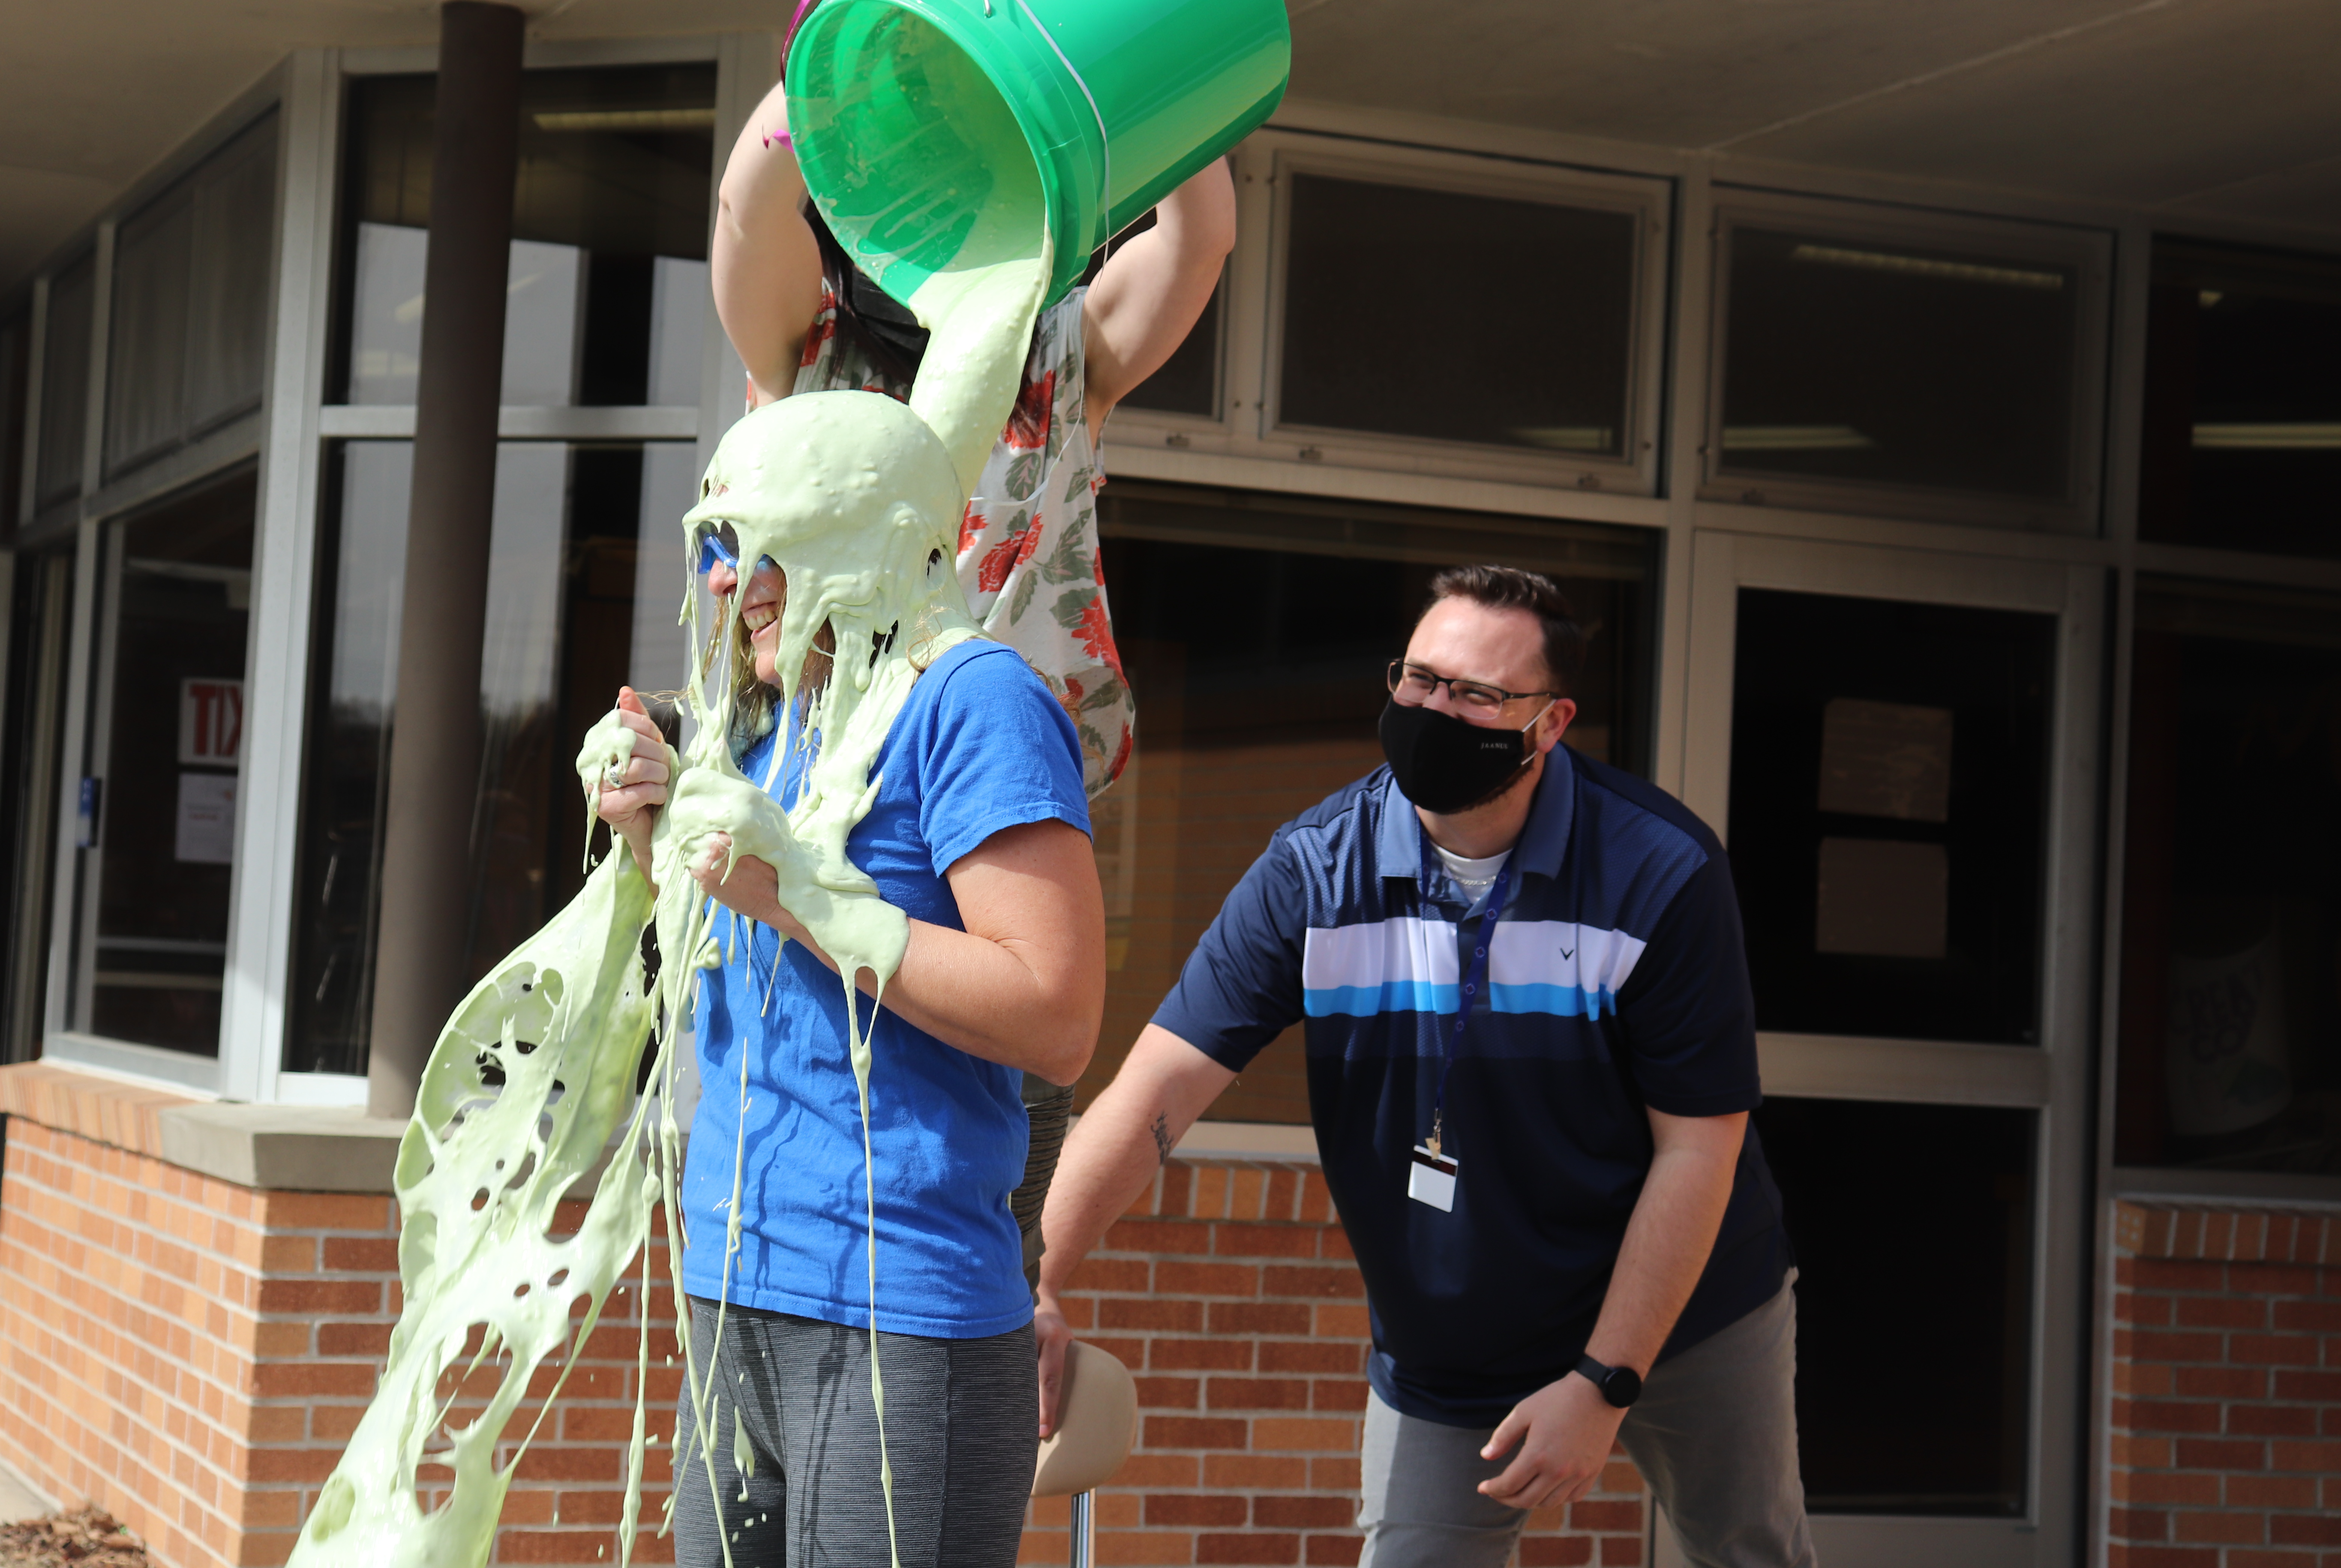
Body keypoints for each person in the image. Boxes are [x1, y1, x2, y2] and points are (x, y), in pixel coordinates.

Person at [1030, 567, 1813, 1568]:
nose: (1436, 708)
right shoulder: (1315, 870)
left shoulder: (1659, 869)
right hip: (1452, 1334)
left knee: (1752, 1550)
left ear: (1550, 721)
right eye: (1420, 678)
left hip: (1692, 1310)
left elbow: (1698, 1151)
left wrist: (1605, 1379)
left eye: (1476, 693)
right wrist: (1032, 1277)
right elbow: (1156, 1093)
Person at [591, 435, 1107, 1568]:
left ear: (858, 531)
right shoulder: (774, 721)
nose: (723, 578)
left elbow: (1057, 1016)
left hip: (900, 1316)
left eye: (752, 542)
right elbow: (747, 981)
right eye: (715, 548)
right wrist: (651, 843)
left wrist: (789, 898)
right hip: (732, 1292)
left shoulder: (974, 699)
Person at [710, 76, 1234, 797]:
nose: (929, 226)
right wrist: (824, 62)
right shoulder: (809, 354)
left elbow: (1200, 240)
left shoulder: (1055, 358)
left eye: (959, 195)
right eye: (899, 196)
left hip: (1002, 773)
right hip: (822, 768)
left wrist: (1126, 59)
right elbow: (748, 209)